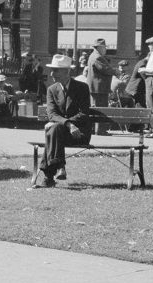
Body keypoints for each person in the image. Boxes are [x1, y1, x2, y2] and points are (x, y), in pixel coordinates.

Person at [32, 54, 92, 188]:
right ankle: (59, 167)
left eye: (56, 70)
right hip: (62, 133)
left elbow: (83, 113)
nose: (52, 74)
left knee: (53, 130)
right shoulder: (52, 90)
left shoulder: (82, 88)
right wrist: (68, 124)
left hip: (79, 133)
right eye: (52, 70)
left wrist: (64, 124)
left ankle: (49, 177)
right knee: (55, 130)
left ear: (67, 71)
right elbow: (52, 113)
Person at [86, 38, 114, 134]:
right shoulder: (98, 57)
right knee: (101, 110)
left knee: (95, 109)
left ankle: (95, 129)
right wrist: (115, 71)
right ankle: (100, 131)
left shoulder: (92, 56)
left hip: (95, 88)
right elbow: (106, 69)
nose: (105, 50)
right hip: (99, 89)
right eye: (104, 47)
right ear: (100, 48)